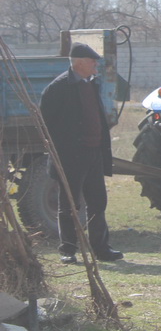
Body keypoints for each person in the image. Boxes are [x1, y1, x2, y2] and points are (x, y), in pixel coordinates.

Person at [40, 42, 124, 264]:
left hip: (93, 154)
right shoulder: (58, 88)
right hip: (70, 157)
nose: (96, 64)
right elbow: (46, 124)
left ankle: (101, 249)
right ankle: (67, 249)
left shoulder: (91, 84)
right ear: (79, 63)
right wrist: (63, 150)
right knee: (69, 204)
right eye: (91, 60)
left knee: (98, 202)